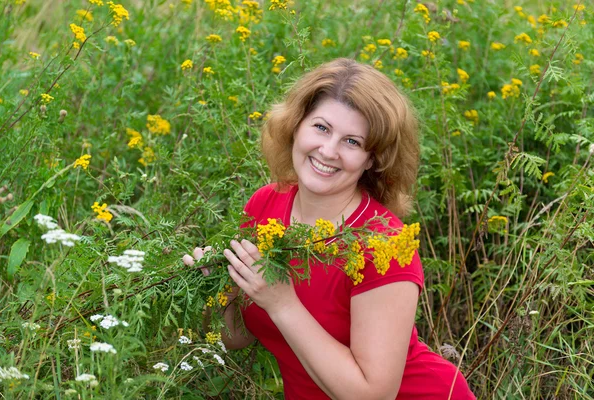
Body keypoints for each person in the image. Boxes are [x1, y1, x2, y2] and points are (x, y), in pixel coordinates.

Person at [190, 58, 476, 399]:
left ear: (373, 159)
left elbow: (373, 395)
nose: (328, 150)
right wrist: (218, 290)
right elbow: (236, 338)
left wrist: (282, 303)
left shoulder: (384, 244)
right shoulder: (265, 205)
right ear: (296, 126)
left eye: (352, 142)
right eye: (321, 128)